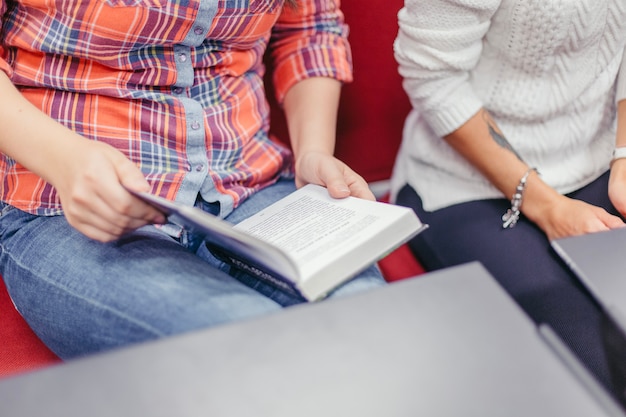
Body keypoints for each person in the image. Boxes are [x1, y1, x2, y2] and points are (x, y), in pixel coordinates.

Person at [0, 0, 386, 359]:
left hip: (249, 181)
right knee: (247, 343)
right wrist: (65, 161)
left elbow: (309, 26)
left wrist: (313, 151)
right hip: (62, 200)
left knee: (368, 317)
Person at [391, 0, 626, 392]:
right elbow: (432, 76)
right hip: (466, 183)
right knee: (596, 366)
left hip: (599, 155)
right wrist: (548, 207)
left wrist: (624, 155)